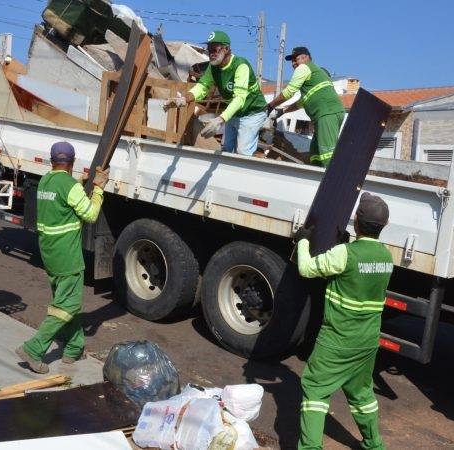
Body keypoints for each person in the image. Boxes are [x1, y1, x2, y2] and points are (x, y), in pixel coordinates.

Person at [292, 192, 393, 450]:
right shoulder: (386, 256)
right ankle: (374, 444)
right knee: (362, 394)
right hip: (368, 341)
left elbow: (306, 269)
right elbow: (358, 275)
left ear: (356, 221)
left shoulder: (344, 255)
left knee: (315, 390)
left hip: (337, 340)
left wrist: (303, 241)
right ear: (383, 227)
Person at [15, 141, 109, 374]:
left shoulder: (46, 180)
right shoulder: (70, 186)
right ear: (73, 162)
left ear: (51, 161)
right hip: (67, 255)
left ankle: (74, 347)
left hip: (50, 252)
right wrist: (98, 188)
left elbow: (62, 195)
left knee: (65, 301)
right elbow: (91, 214)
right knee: (68, 304)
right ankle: (34, 348)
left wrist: (80, 184)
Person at [163, 30, 268, 156]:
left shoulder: (240, 66)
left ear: (227, 49)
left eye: (215, 49)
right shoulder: (213, 67)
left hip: (252, 112)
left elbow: (240, 98)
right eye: (209, 49)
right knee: (227, 150)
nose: (211, 53)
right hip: (235, 113)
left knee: (243, 152)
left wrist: (220, 119)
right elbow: (202, 87)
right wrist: (184, 99)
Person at [266, 47, 345, 167]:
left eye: (296, 59)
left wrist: (270, 106)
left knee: (327, 154)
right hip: (327, 115)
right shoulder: (314, 76)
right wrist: (283, 110)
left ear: (306, 58)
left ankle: (335, 182)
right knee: (315, 153)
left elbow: (289, 92)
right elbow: (301, 102)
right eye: (292, 61)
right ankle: (316, 178)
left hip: (327, 114)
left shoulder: (304, 67)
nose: (293, 64)